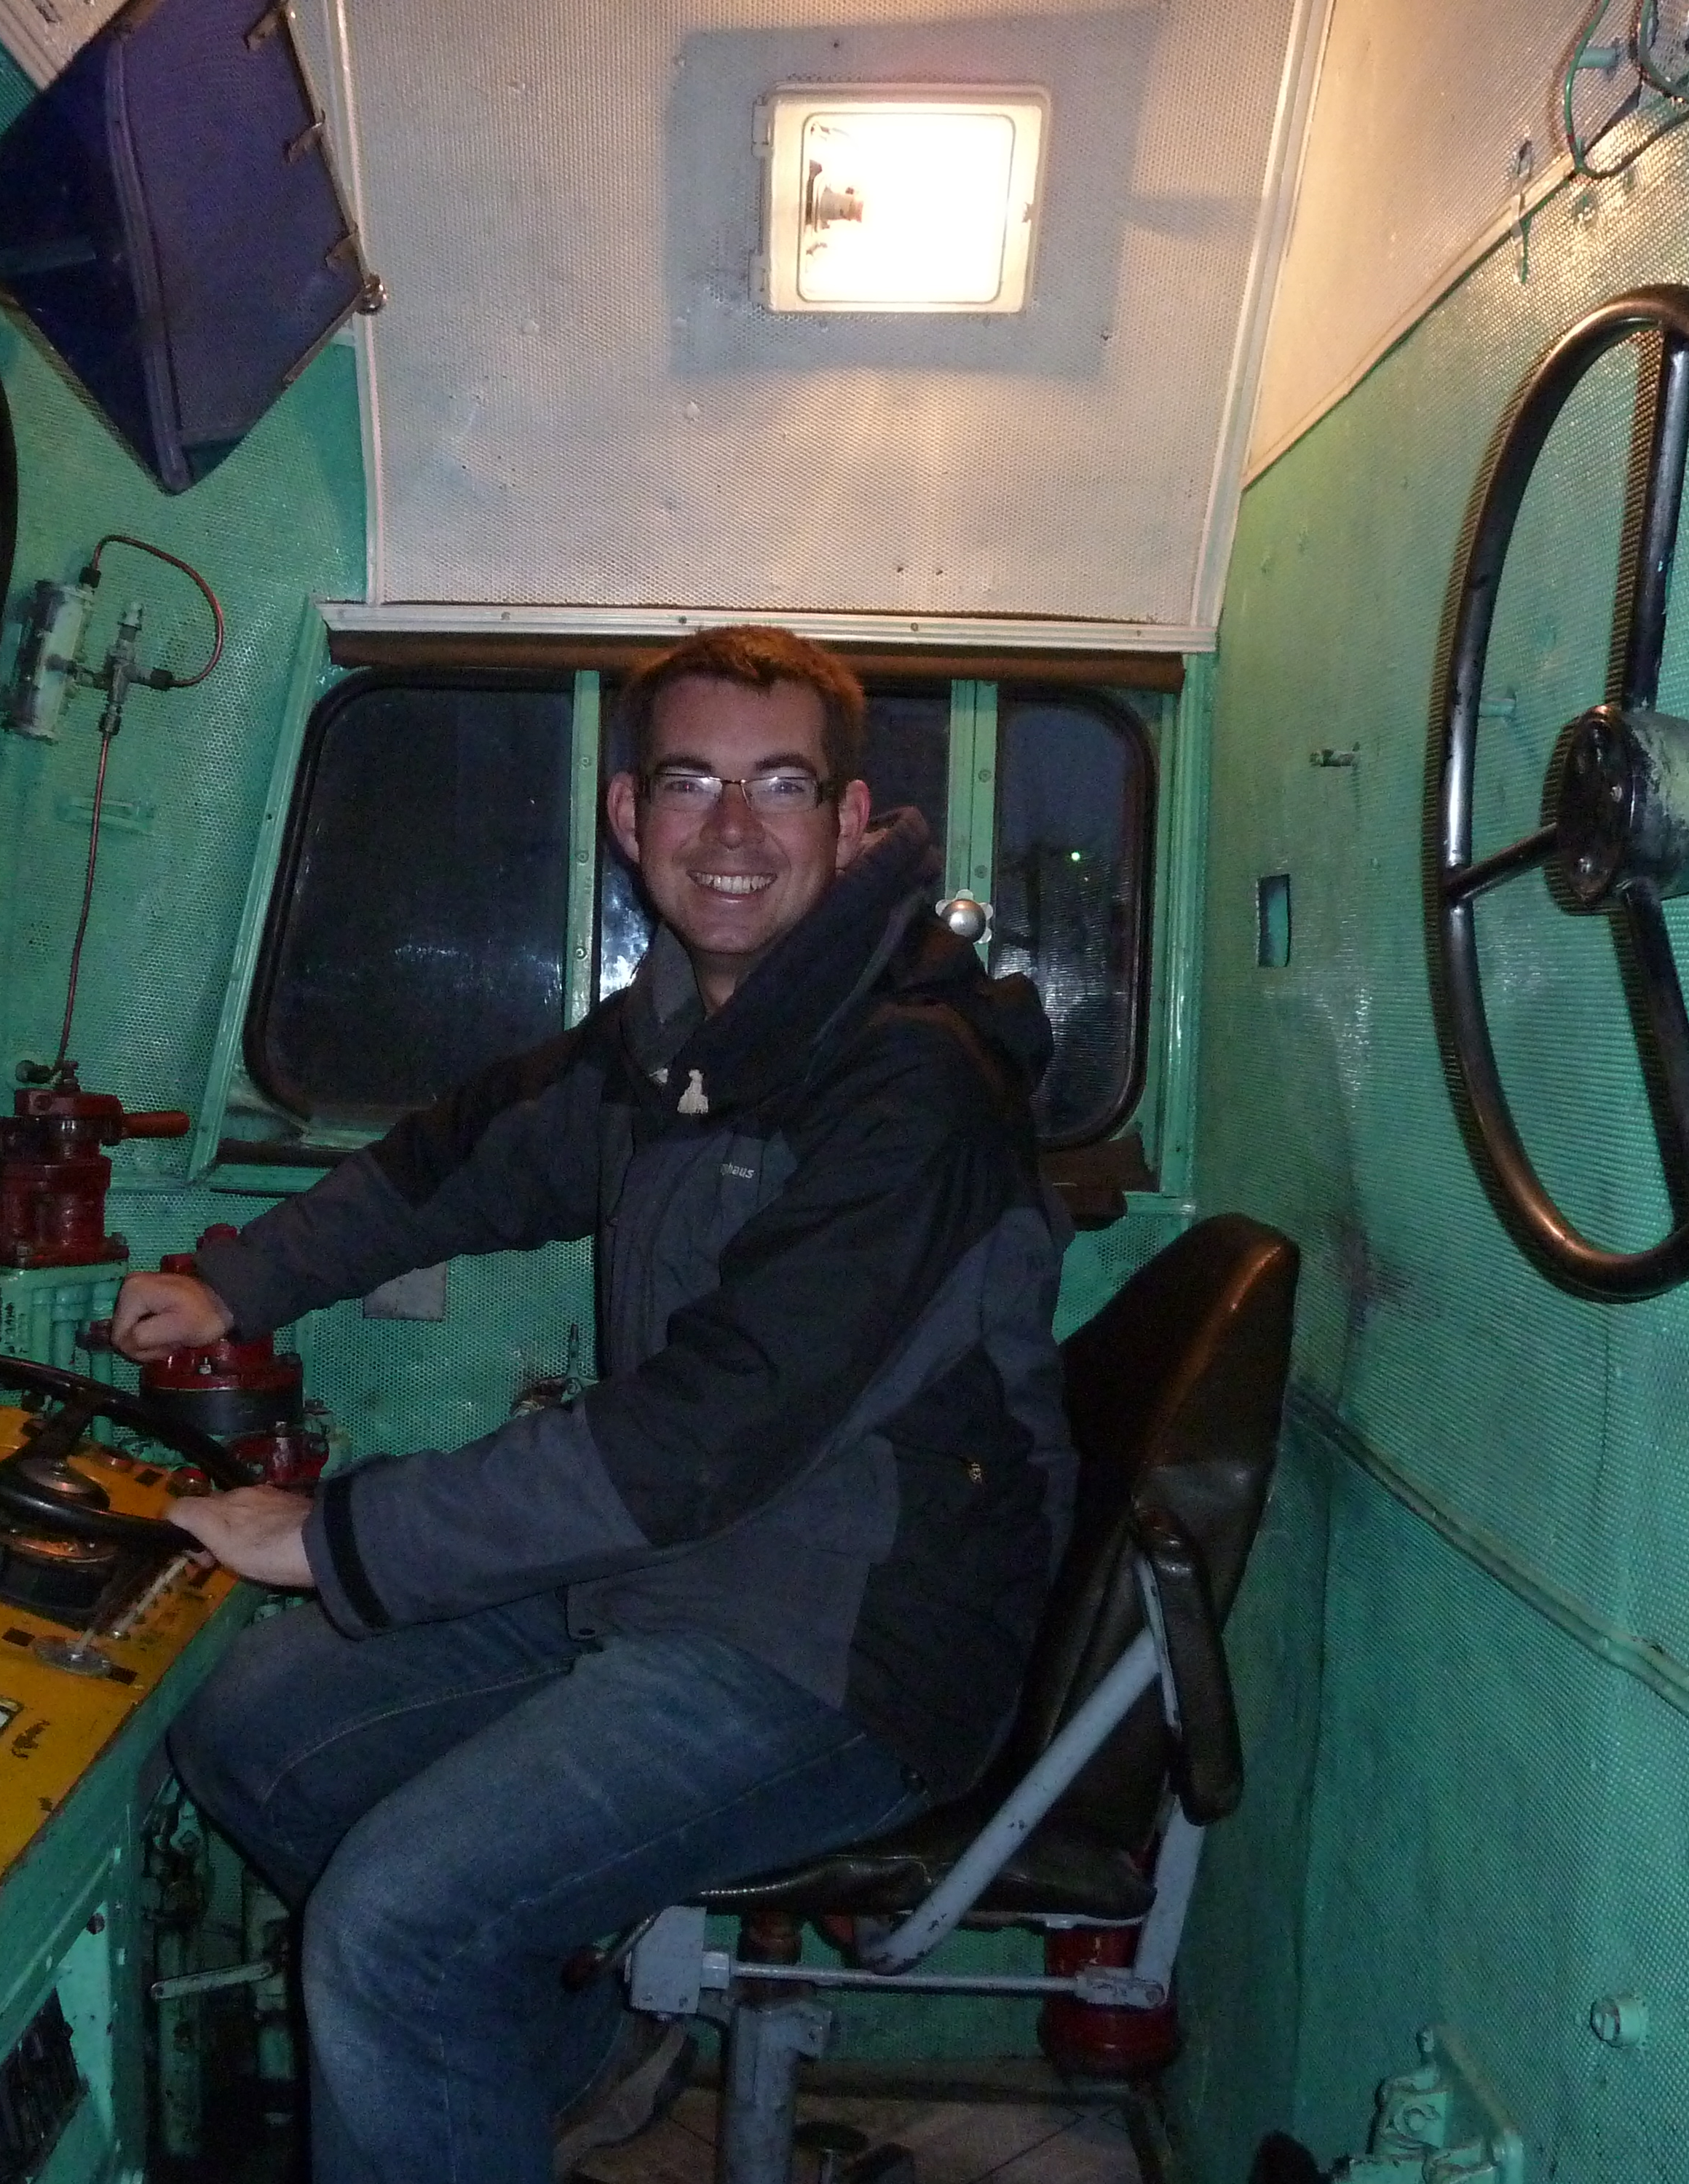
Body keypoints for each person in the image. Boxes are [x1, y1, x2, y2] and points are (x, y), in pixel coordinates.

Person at [111, 625, 1075, 2182]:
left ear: (846, 821)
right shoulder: (684, 1038)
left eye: (781, 786)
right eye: (690, 783)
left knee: (396, 1927)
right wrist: (240, 1283)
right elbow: (466, 1159)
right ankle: (572, 2056)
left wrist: (338, 1537)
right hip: (672, 1569)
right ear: (629, 817)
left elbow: (707, 1433)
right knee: (255, 1733)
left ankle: (473, 2038)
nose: (733, 829)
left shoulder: (909, 1082)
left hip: (849, 1641)